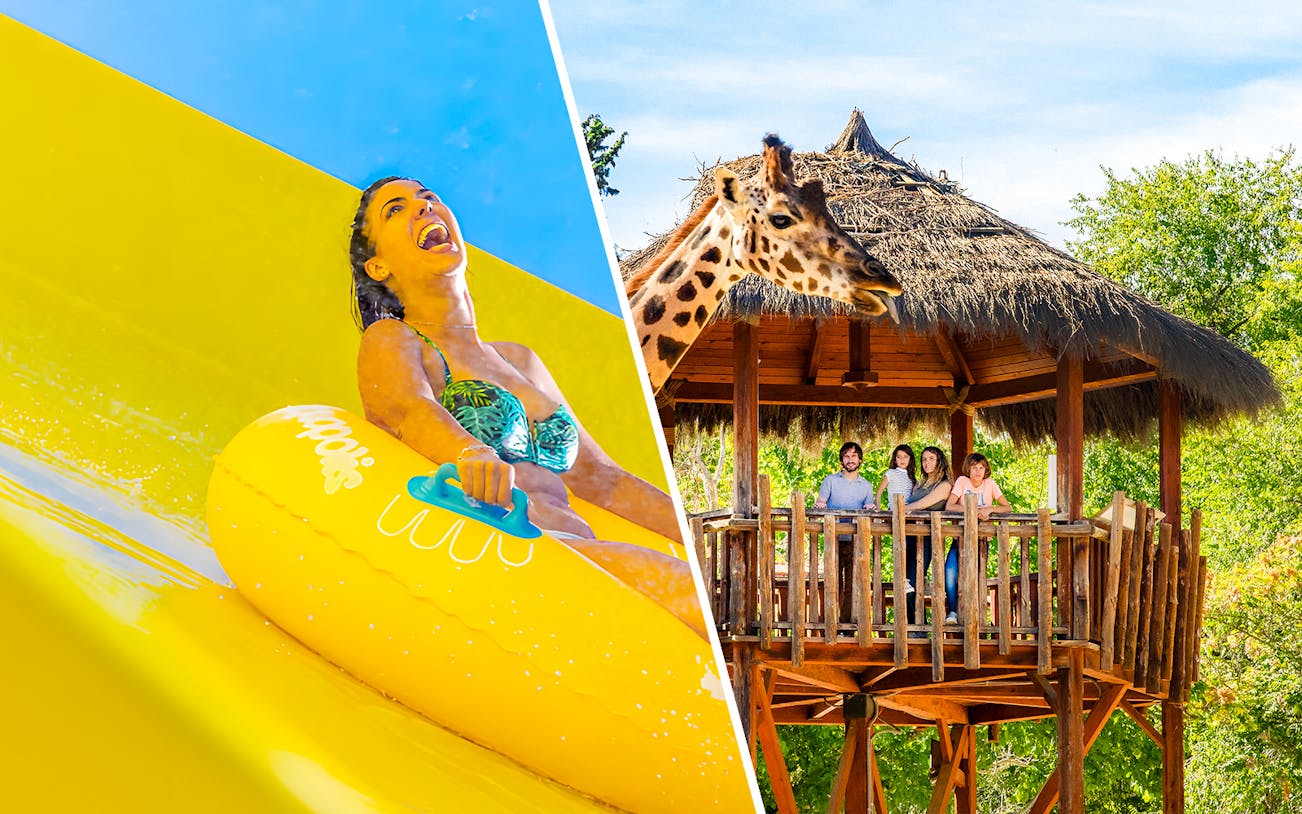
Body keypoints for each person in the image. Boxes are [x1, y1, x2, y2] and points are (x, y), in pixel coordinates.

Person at [349, 177, 704, 637]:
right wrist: (469, 452)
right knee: (683, 591)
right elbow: (410, 411)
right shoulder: (395, 339)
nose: (423, 208)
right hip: (494, 548)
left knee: (697, 592)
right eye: (395, 210)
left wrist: (691, 534)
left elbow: (604, 481)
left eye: (429, 197)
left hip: (572, 548)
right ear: (377, 266)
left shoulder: (521, 360)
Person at [941, 452, 1011, 624]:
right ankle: (953, 611)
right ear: (968, 469)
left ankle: (975, 614)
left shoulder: (990, 484)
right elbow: (949, 506)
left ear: (986, 470)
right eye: (974, 468)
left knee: (976, 575)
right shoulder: (962, 482)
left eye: (981, 468)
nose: (978, 471)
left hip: (981, 540)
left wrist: (990, 509)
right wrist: (972, 510)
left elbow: (1007, 507)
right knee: (950, 571)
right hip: (960, 537)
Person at [901, 446, 952, 628]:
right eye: (924, 459)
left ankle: (919, 628)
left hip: (927, 538)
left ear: (940, 461)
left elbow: (922, 504)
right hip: (908, 536)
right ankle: (911, 626)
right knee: (904, 582)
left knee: (913, 581)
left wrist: (899, 509)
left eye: (931, 458)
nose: (926, 462)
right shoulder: (919, 484)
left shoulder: (945, 485)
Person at [874, 443, 916, 511]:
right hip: (893, 511)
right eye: (899, 457)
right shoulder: (891, 473)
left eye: (905, 457)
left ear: (910, 459)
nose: (902, 459)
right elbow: (879, 493)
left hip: (909, 511)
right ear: (895, 460)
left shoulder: (912, 477)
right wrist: (879, 510)